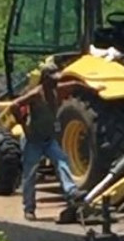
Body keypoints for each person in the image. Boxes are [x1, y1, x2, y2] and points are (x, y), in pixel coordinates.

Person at [11, 67, 78, 221]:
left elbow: (74, 84)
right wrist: (23, 125)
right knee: (30, 174)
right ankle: (29, 209)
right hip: (33, 140)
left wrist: (94, 88)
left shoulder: (57, 90)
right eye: (54, 79)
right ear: (46, 79)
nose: (56, 82)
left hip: (49, 139)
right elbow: (15, 105)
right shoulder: (36, 94)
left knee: (62, 160)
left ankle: (71, 192)